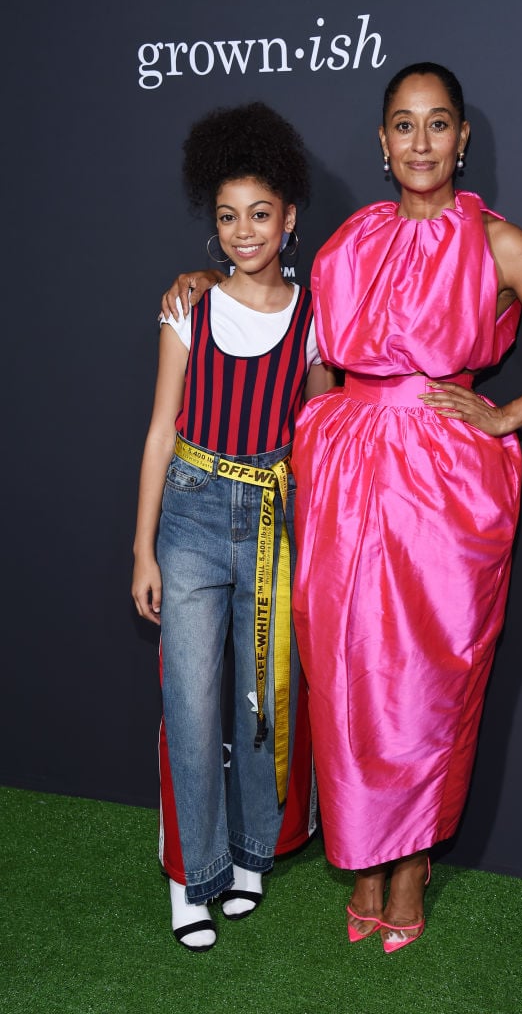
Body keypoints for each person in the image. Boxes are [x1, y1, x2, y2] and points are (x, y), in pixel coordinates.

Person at [161, 62, 522, 954]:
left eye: (437, 123)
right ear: (382, 142)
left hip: (445, 484)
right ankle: (365, 860)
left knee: (428, 680)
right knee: (349, 675)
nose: (420, 142)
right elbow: (290, 320)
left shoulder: (496, 243)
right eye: (404, 125)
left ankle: (410, 868)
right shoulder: (349, 242)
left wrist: (504, 415)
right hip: (341, 476)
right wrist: (205, 283)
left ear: (462, 139)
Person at [132, 101, 334, 953]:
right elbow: (159, 431)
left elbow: (319, 438)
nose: (243, 232)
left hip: (274, 523)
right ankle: (193, 876)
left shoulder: (318, 318)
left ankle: (253, 852)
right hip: (190, 513)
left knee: (262, 699)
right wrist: (141, 548)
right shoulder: (189, 308)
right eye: (226, 217)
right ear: (211, 227)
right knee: (189, 701)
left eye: (259, 214)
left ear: (289, 218)